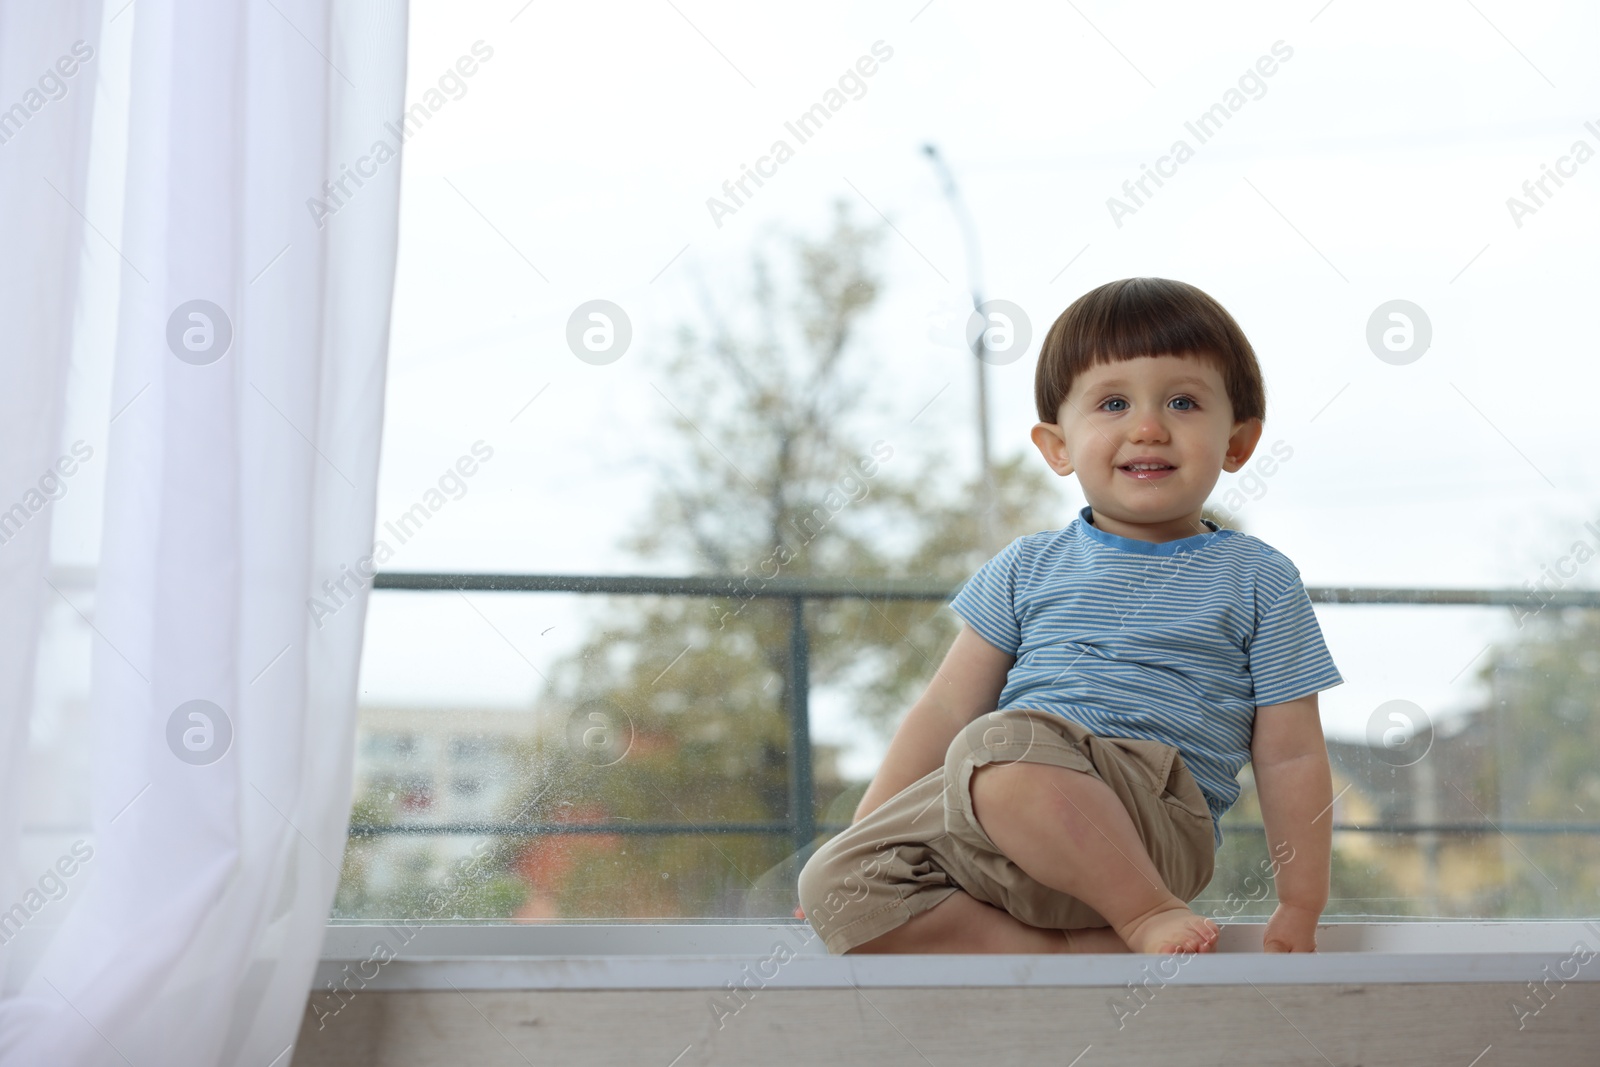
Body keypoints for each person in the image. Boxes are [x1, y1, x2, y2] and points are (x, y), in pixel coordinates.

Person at [797, 277, 1343, 955]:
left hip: (1152, 827)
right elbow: (942, 711)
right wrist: (869, 832)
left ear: (1238, 441)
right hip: (998, 816)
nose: (1148, 426)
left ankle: (1144, 912)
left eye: (1183, 401)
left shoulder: (1257, 576)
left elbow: (1291, 753)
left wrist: (1300, 901)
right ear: (1057, 445)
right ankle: (1056, 953)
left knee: (999, 743)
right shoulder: (1026, 565)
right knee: (833, 881)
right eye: (1113, 402)